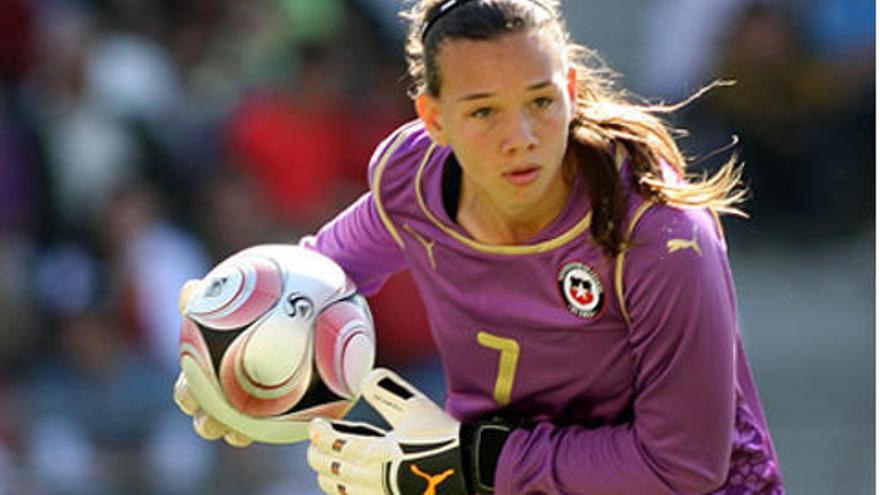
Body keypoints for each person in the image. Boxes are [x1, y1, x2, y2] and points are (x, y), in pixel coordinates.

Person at [175, 0, 784, 493]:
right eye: (484, 111)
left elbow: (685, 466)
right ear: (433, 119)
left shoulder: (662, 236)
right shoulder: (412, 179)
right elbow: (318, 278)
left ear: (570, 89)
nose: (520, 138)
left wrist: (473, 463)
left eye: (540, 102)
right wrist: (231, 367)